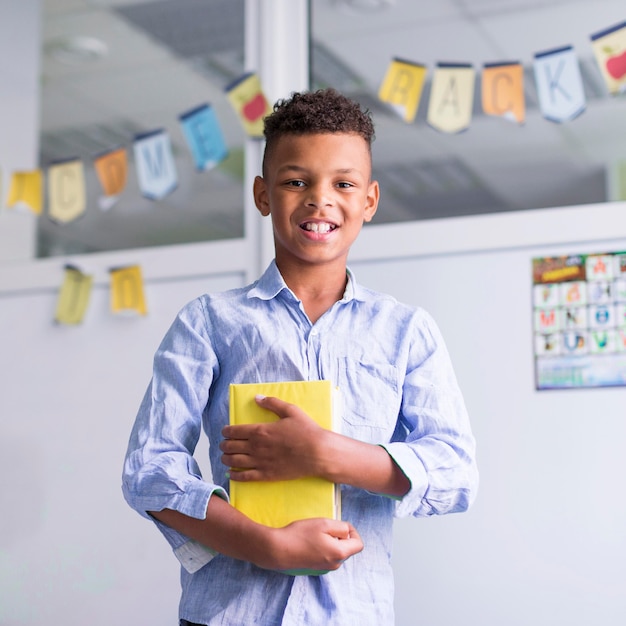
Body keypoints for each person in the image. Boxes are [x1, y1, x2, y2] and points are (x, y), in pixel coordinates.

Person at [122, 88, 478, 625]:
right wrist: (268, 546)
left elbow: (455, 473)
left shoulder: (407, 331)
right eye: (296, 181)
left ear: (369, 200)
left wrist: (327, 454)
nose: (319, 200)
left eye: (343, 183)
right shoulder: (208, 323)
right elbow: (149, 470)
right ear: (264, 195)